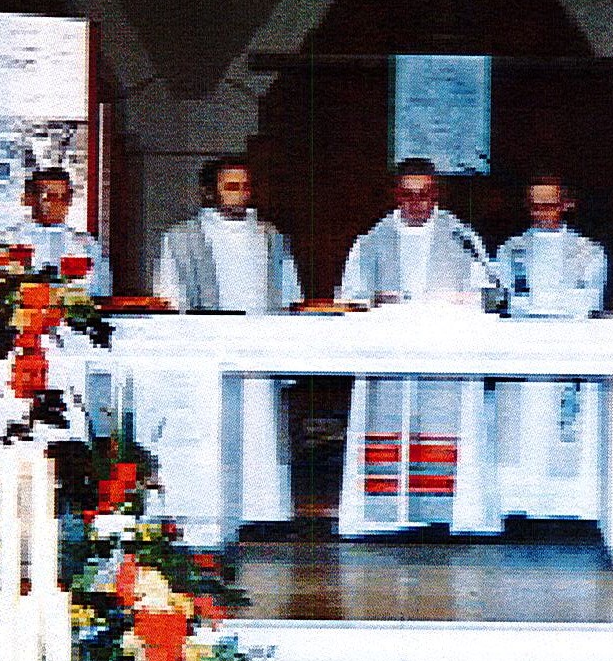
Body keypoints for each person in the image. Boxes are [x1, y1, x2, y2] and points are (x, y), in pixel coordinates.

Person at [333, 158, 500, 535]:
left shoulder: (461, 237)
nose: (416, 203)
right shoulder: (372, 241)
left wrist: (461, 300)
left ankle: (445, 513)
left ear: (436, 195)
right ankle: (383, 515)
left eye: (424, 194)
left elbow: (490, 294)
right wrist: (376, 300)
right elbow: (350, 298)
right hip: (387, 358)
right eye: (407, 195)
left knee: (444, 427)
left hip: (446, 356)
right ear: (396, 195)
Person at [151, 158, 305, 525]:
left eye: (245, 187)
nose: (240, 195)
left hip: (259, 353)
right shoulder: (181, 238)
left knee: (260, 433)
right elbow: (169, 297)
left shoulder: (270, 236)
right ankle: (210, 510)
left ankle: (265, 514)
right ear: (209, 191)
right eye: (231, 187)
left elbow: (289, 293)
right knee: (212, 431)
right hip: (209, 353)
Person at [491, 176, 609, 521]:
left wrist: (542, 306)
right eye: (535, 205)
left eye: (549, 205)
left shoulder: (588, 252)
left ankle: (567, 507)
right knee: (521, 429)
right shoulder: (510, 250)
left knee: (563, 430)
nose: (541, 213)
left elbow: (585, 300)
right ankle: (517, 502)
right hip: (523, 350)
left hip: (567, 350)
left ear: (567, 205)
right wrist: (537, 305)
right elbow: (508, 298)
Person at [8, 166, 110, 295]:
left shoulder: (86, 247)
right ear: (30, 199)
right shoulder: (13, 241)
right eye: (49, 197)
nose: (57, 203)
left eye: (63, 197)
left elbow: (101, 290)